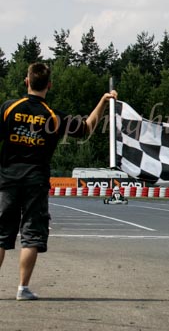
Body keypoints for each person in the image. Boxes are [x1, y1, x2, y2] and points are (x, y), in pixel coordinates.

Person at [0, 62, 117, 300]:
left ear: (26, 81)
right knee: (31, 234)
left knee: (1, 235)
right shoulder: (54, 116)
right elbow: (86, 128)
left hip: (8, 179)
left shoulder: (8, 108)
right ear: (49, 85)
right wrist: (103, 102)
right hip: (36, 181)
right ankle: (22, 288)